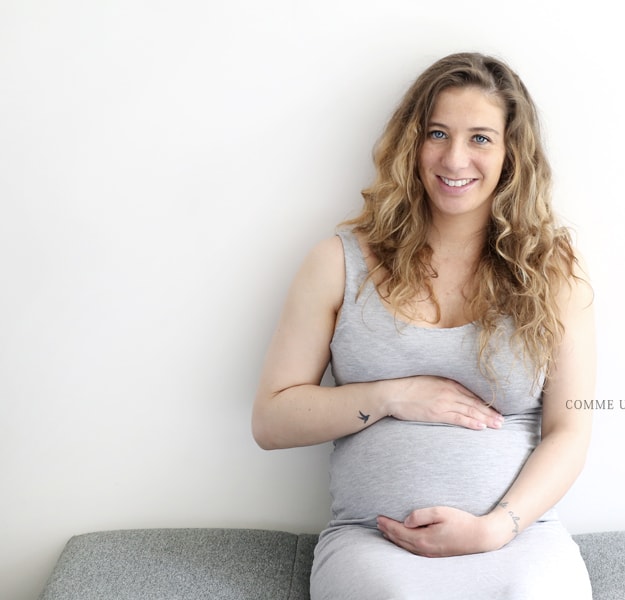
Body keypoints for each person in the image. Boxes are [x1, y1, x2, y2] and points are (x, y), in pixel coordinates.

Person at [252, 52, 596, 599]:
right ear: (411, 144)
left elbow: (570, 432)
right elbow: (272, 421)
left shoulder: (552, 274)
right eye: (437, 133)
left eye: (480, 138)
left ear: (512, 154)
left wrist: (493, 529)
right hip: (375, 546)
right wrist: (393, 396)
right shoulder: (338, 262)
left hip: (518, 544)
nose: (455, 158)